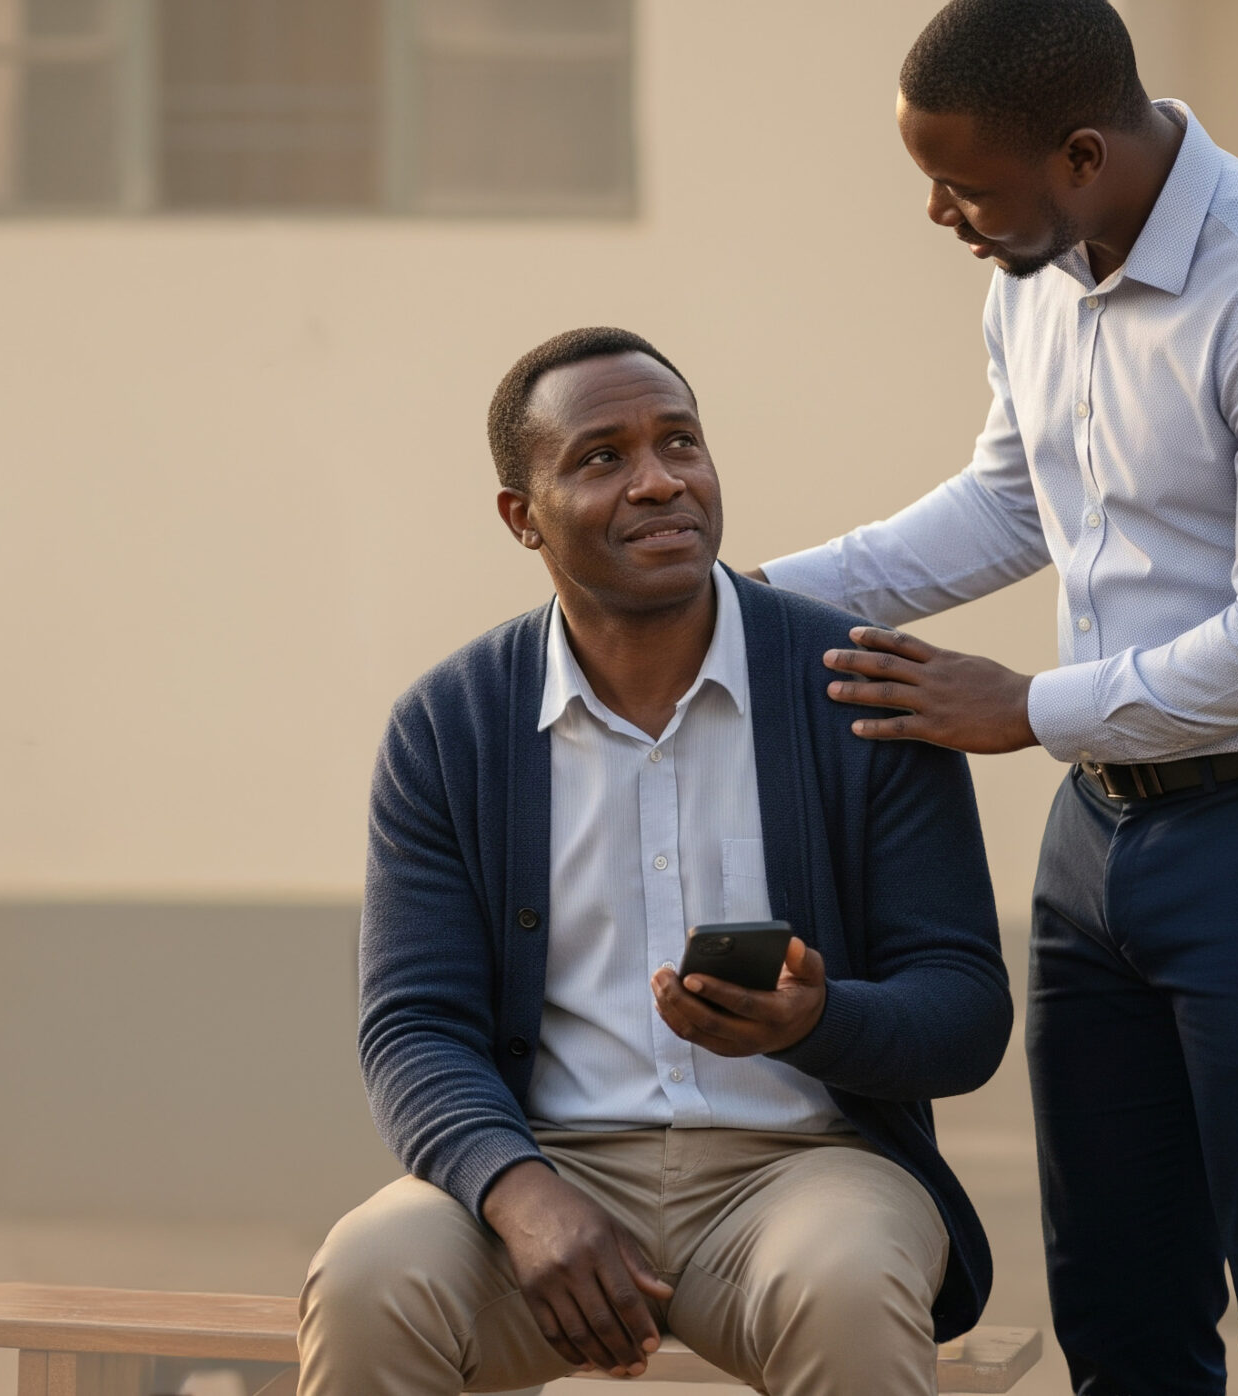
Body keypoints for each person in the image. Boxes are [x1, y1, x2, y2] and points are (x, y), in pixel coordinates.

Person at [754, 3, 1238, 1393]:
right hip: (1100, 848)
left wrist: (1029, 707)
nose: (939, 212)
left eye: (964, 185)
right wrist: (745, 605)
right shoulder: (1036, 267)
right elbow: (1015, 503)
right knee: (1121, 1313)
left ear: (1080, 152)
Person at [300, 327, 1012, 1396]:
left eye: (680, 442)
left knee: (850, 1285)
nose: (659, 482)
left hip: (806, 1170)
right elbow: (413, 1024)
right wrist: (519, 1190)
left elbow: (964, 1012)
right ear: (520, 515)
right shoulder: (454, 724)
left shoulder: (854, 692)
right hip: (546, 1162)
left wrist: (818, 1022)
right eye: (602, 458)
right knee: (366, 1278)